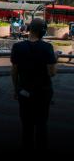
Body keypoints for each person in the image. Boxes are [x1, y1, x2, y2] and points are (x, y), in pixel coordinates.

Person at [10, 18, 57, 152]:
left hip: (24, 91)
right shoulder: (47, 48)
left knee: (26, 126)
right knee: (42, 124)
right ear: (43, 32)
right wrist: (55, 59)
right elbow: (52, 72)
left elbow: (14, 71)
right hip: (43, 92)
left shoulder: (18, 47)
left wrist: (15, 89)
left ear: (30, 29)